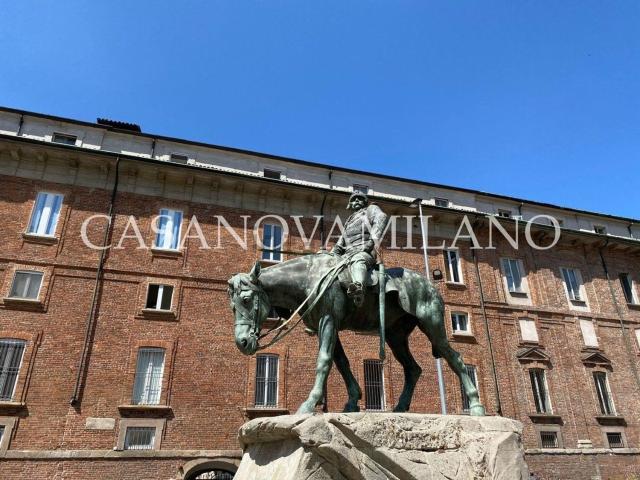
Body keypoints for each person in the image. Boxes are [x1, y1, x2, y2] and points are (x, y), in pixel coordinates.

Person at [331, 192, 388, 306]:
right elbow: (341, 241)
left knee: (357, 260)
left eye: (360, 198)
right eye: (353, 199)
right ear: (350, 204)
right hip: (346, 255)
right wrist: (331, 253)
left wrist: (370, 243)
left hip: (365, 252)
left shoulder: (371, 209)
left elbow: (382, 217)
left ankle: (358, 289)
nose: (356, 200)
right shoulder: (349, 220)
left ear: (365, 202)